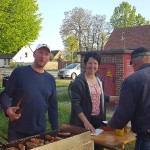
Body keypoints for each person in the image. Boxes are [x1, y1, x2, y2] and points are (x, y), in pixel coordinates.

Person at [0, 44, 58, 142]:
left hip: (39, 131)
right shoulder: (19, 72)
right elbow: (5, 94)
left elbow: (53, 107)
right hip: (17, 131)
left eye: (46, 54)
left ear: (49, 58)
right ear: (34, 54)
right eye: (40, 52)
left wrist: (55, 130)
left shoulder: (50, 79)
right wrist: (7, 109)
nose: (42, 56)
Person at [69, 51, 118, 149]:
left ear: (98, 65)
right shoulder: (79, 82)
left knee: (99, 146)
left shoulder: (99, 78)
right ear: (85, 64)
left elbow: (100, 96)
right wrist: (86, 122)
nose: (92, 66)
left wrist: (114, 98)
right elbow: (76, 104)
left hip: (98, 120)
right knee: (85, 146)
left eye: (95, 63)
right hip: (84, 121)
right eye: (90, 63)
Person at [108, 47, 150, 150]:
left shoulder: (133, 80)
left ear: (135, 61)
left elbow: (124, 112)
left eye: (131, 64)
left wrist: (111, 125)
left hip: (146, 138)